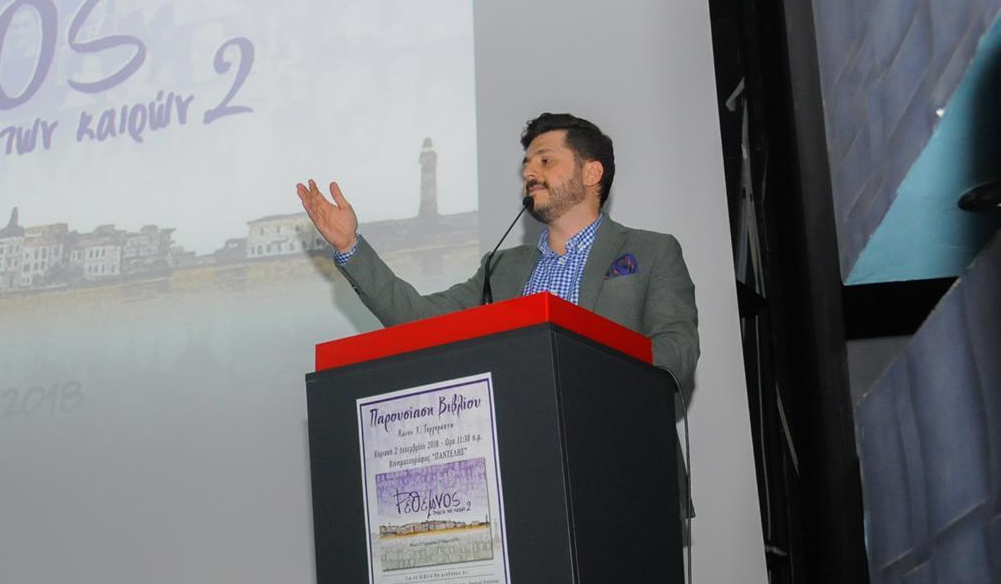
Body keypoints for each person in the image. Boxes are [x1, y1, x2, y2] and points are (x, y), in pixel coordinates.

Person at [296, 112, 699, 397]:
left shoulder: (651, 251)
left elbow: (677, 353)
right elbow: (417, 319)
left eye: (545, 160)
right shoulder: (501, 269)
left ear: (592, 173)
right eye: (526, 164)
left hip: (622, 455)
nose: (529, 172)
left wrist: (587, 360)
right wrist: (349, 246)